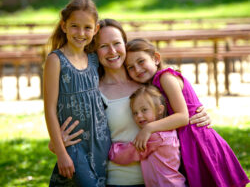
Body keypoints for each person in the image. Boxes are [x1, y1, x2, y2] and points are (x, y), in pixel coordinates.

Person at [50, 18, 212, 186]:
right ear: (94, 51)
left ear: (125, 44)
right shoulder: (92, 92)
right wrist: (59, 145)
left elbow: (179, 115)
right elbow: (71, 135)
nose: (112, 51)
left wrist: (200, 116)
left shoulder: (147, 83)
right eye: (103, 46)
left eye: (116, 43)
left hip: (164, 180)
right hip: (119, 181)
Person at [124, 38, 250, 187]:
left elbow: (183, 117)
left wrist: (149, 128)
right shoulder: (153, 84)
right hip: (188, 140)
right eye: (130, 67)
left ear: (156, 58)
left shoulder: (165, 77)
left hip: (198, 141)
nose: (137, 69)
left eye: (141, 61)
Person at [43, 0, 111, 186]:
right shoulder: (56, 60)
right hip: (72, 144)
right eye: (74, 26)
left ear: (95, 29)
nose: (81, 32)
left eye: (87, 27)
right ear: (64, 26)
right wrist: (60, 150)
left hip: (101, 141)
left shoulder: (94, 59)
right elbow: (49, 109)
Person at [109, 85, 186, 187]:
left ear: (159, 110)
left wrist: (111, 149)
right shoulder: (169, 131)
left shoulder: (154, 137)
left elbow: (125, 155)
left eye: (144, 110)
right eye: (135, 113)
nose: (139, 115)